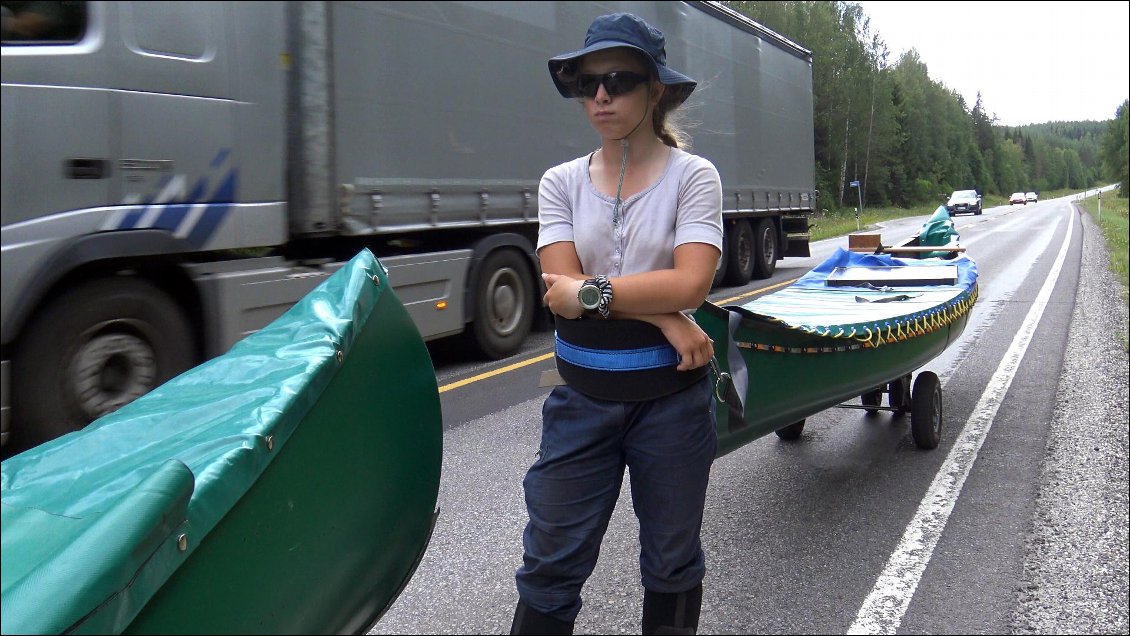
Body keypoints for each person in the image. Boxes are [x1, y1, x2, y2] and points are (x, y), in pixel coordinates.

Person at [511, 12, 723, 636]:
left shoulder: (694, 177)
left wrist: (619, 298)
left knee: (671, 562)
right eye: (587, 82)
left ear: (655, 90)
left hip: (673, 407)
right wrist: (666, 317)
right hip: (583, 402)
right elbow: (559, 289)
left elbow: (691, 282)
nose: (601, 94)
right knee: (550, 565)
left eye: (620, 80)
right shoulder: (560, 183)